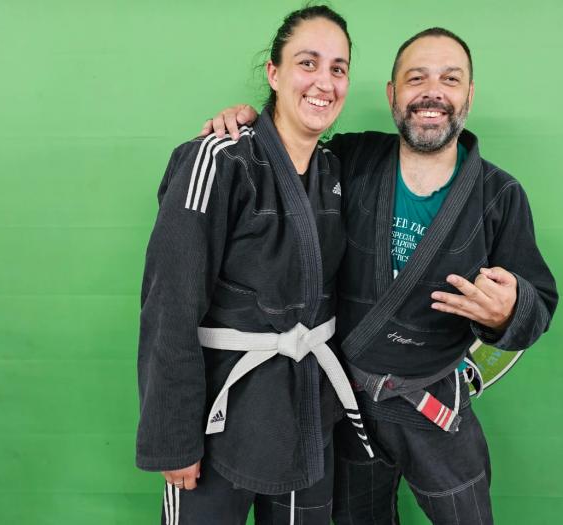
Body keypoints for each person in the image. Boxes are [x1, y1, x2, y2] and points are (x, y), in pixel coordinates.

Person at [201, 26, 558, 525]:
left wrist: (510, 311)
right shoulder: (350, 160)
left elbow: (539, 303)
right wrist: (248, 121)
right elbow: (289, 144)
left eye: (450, 79)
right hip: (348, 403)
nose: (432, 92)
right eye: (416, 78)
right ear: (392, 95)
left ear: (469, 95)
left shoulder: (499, 195)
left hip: (434, 405)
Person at [136, 6, 375, 525]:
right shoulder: (219, 160)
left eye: (338, 68)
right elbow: (169, 303)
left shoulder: (335, 171)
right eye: (307, 63)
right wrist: (173, 437)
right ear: (274, 72)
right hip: (218, 418)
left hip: (306, 410)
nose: (325, 82)